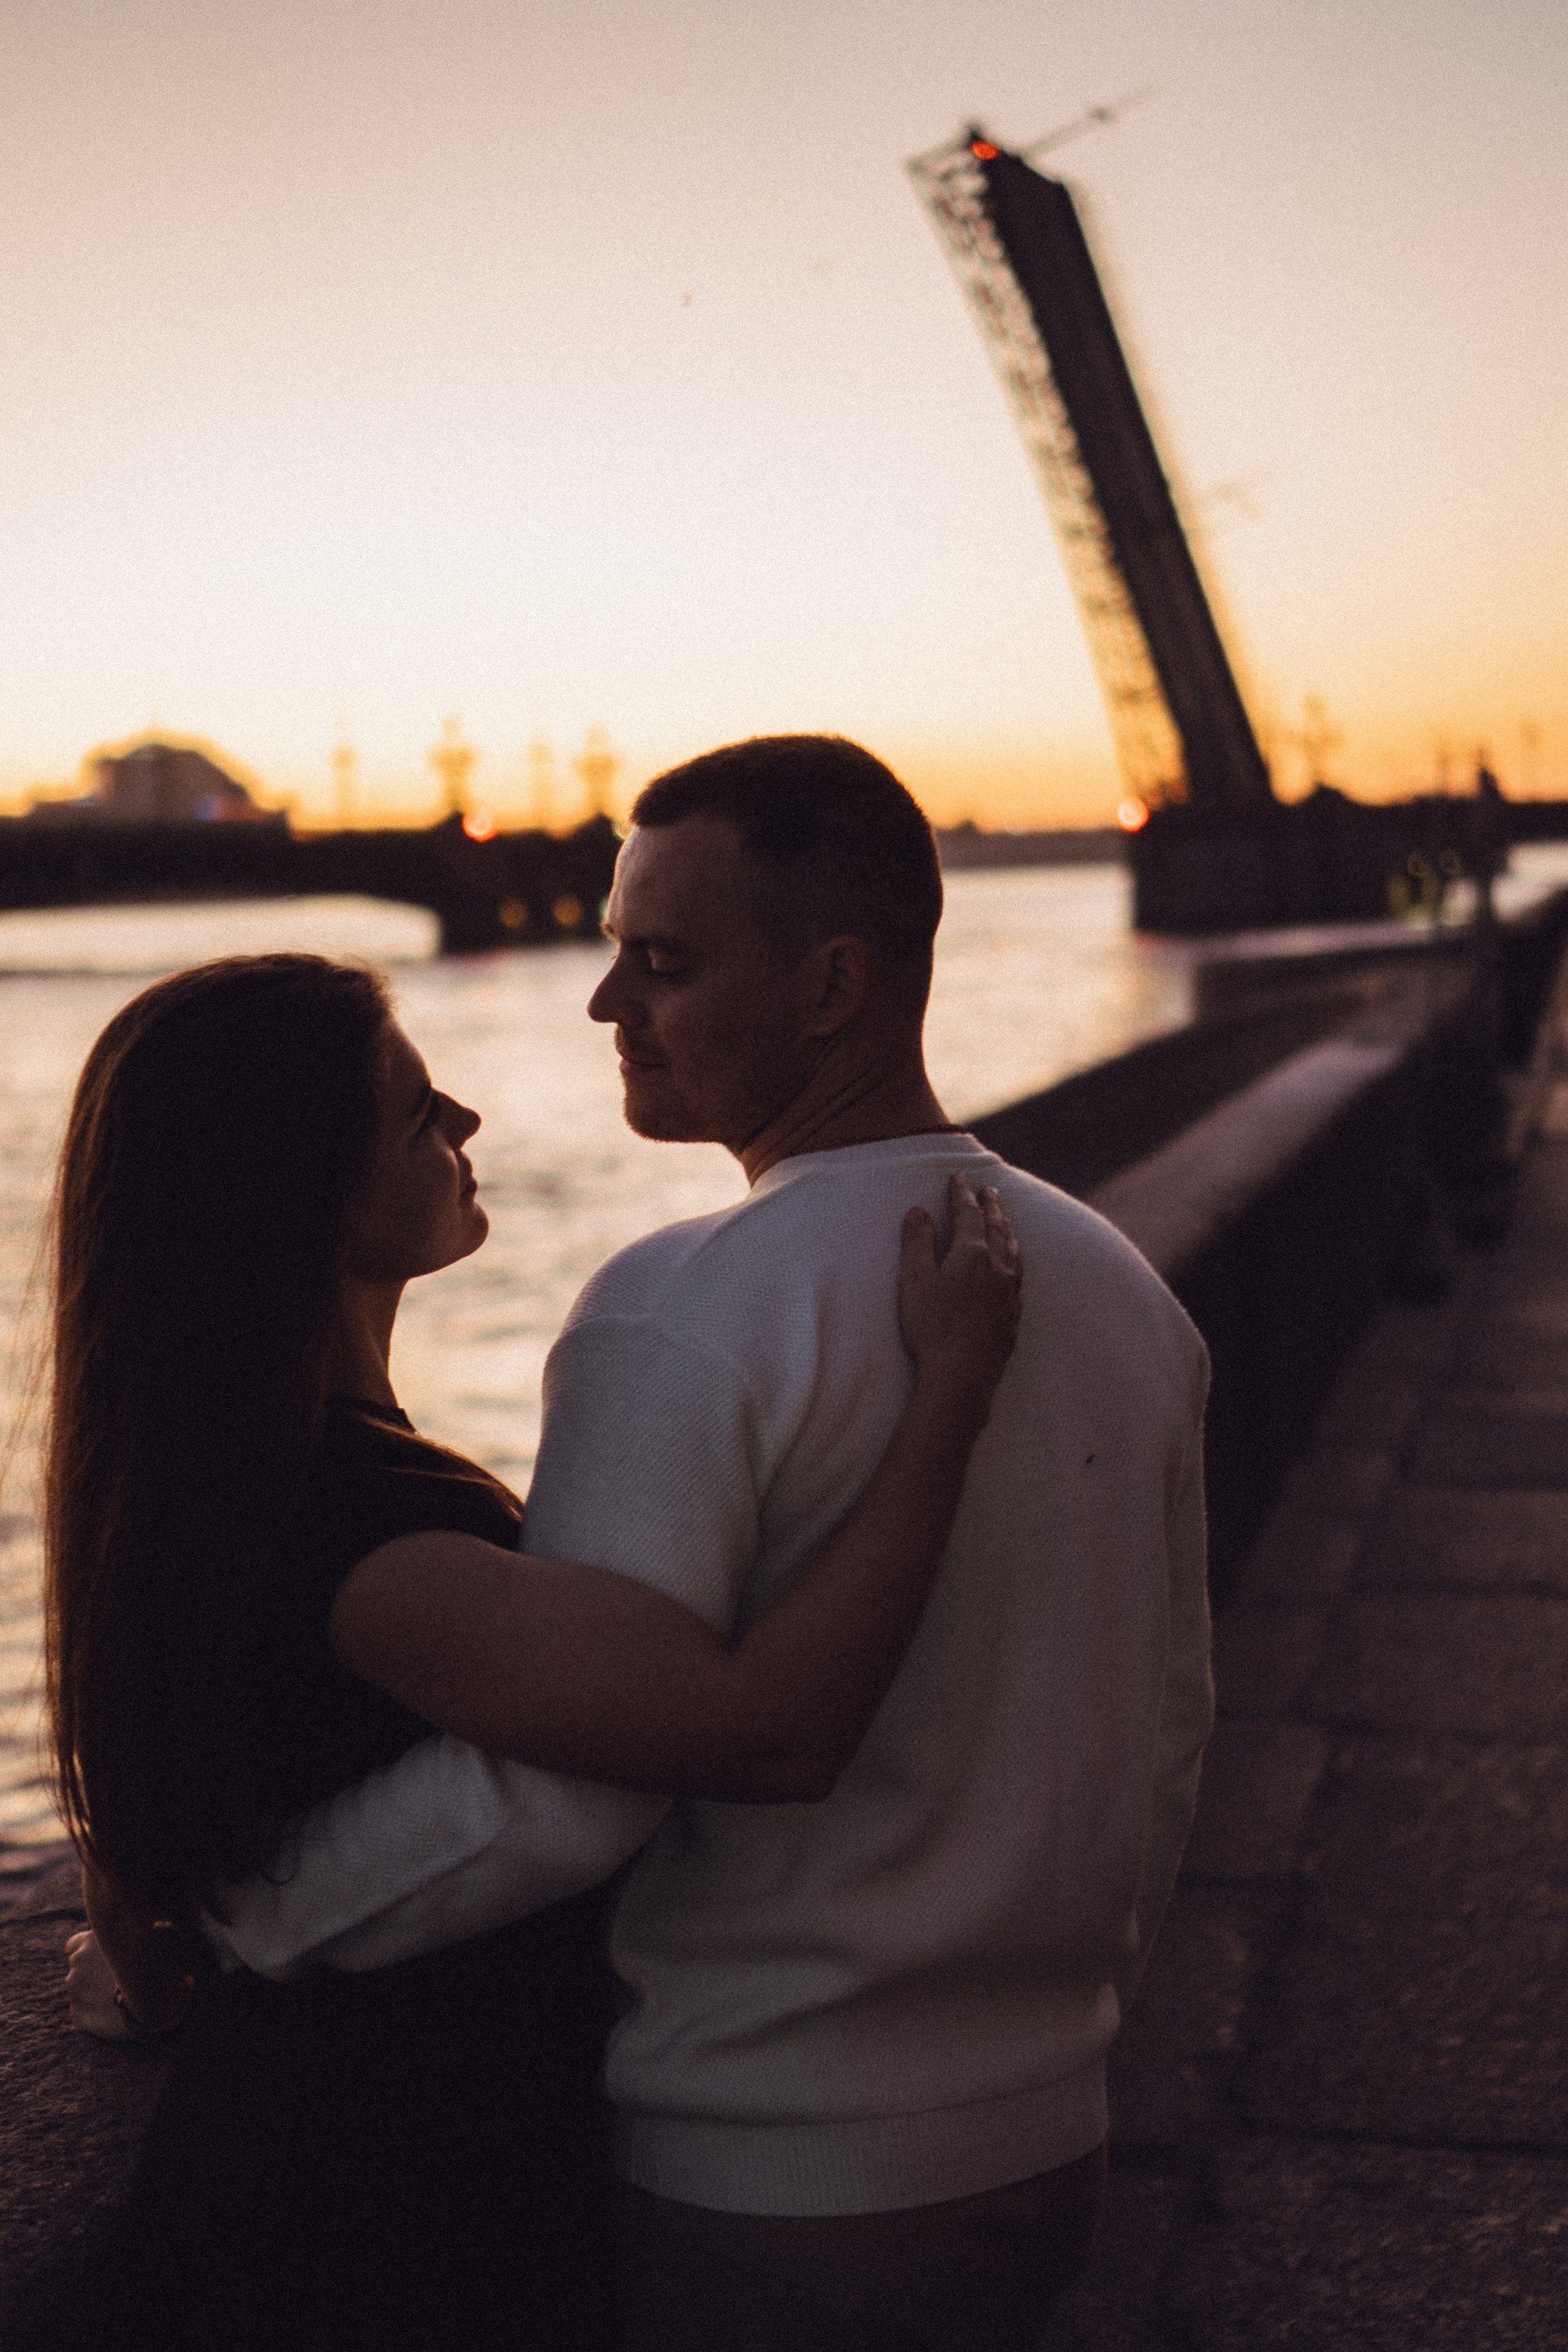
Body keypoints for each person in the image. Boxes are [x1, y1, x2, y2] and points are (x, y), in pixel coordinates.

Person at [211, 736, 1215, 2352]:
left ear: (831, 985)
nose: (610, 1006)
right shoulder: (1117, 1286)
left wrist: (248, 1914)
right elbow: (1166, 1730)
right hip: (1045, 2138)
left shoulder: (679, 1308)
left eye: (661, 963)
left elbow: (567, 1790)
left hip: (779, 2177)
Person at [41, 949, 1023, 2352]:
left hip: (323, 2196)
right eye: (416, 1110)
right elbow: (769, 1729)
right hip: (392, 2227)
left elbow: (165, 1842)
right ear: (298, 1193)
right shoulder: (367, 1537)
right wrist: (950, 1398)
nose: (468, 1124)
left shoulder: (214, 1488)